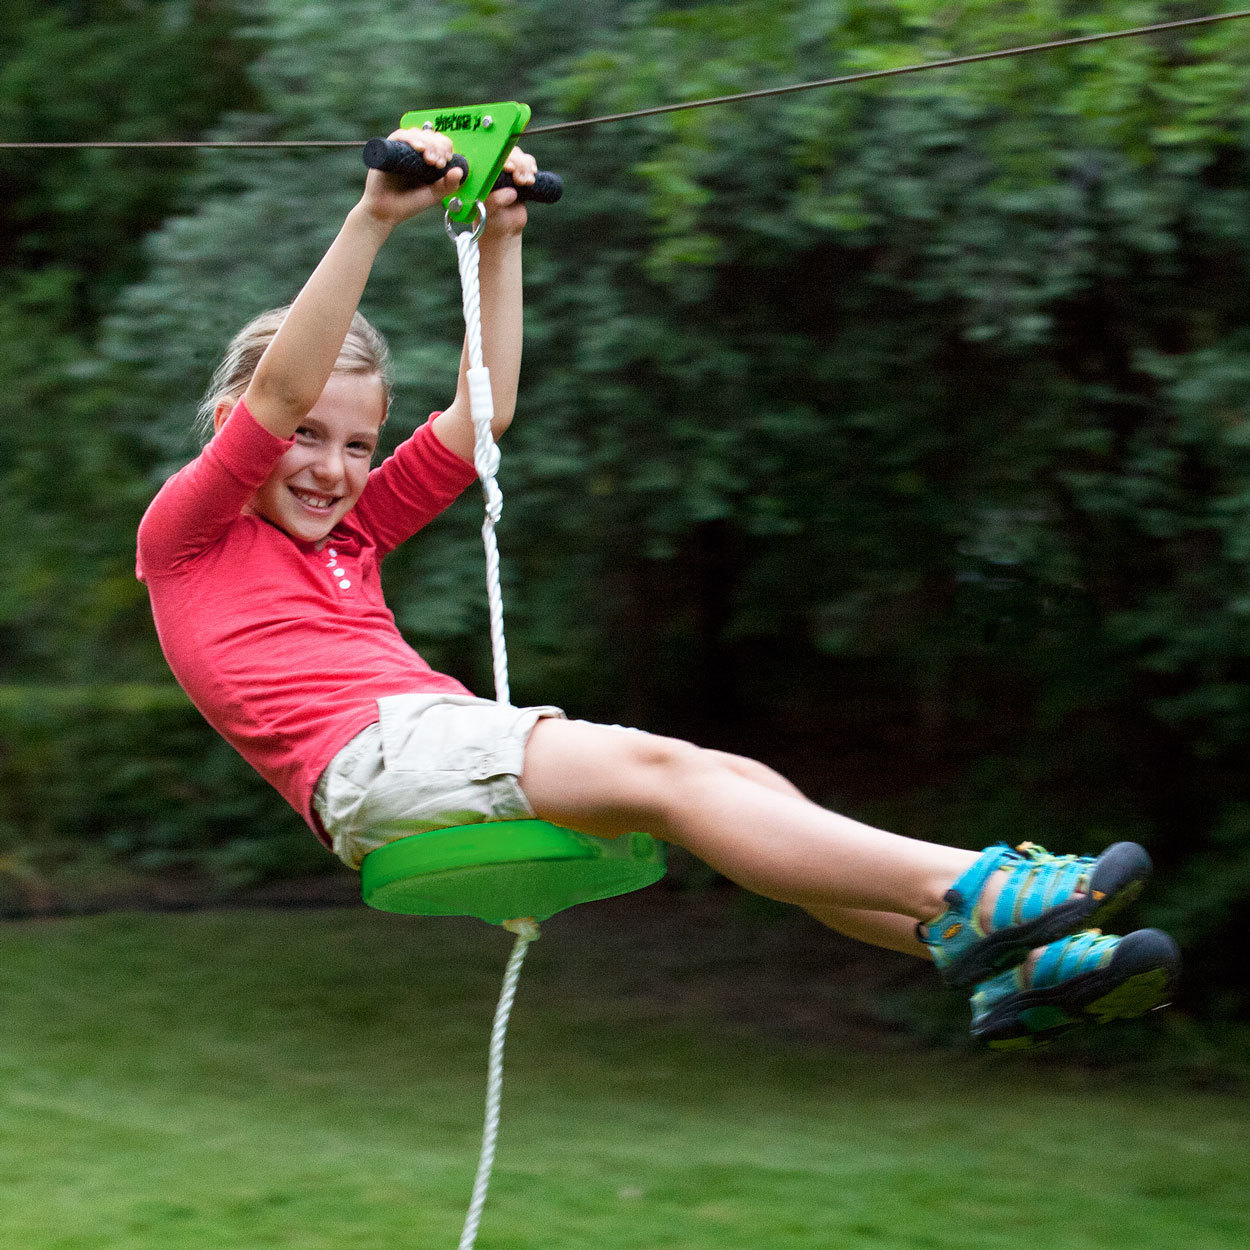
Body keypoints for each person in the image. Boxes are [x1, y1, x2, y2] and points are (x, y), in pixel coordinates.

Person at [137, 127, 1179, 1050]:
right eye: (304, 437)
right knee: (669, 771)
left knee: (742, 784)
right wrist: (373, 219)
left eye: (358, 444)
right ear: (239, 428)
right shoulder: (189, 537)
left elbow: (480, 415)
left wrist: (500, 238)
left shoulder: (353, 530)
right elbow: (281, 388)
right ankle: (978, 883)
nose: (331, 468)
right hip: (378, 760)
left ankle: (1010, 962)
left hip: (417, 753)